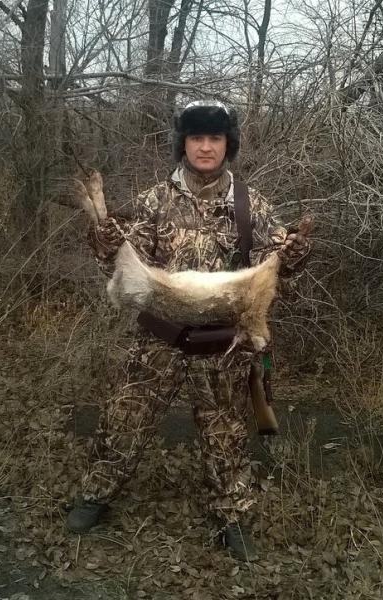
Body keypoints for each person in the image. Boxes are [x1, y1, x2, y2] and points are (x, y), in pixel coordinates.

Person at [67, 101, 310, 561]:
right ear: (183, 143)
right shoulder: (153, 201)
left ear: (227, 145)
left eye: (214, 138)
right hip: (158, 337)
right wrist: (104, 240)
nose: (205, 147)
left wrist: (295, 252)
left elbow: (277, 267)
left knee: (226, 436)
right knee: (124, 420)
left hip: (220, 346)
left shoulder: (252, 204)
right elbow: (121, 267)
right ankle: (95, 494)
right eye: (196, 137)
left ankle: (232, 516)